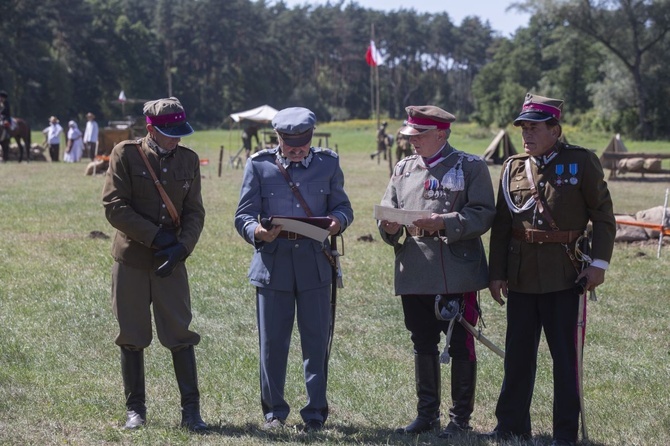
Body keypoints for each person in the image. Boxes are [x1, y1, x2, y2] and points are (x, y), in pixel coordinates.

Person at [483, 93, 616, 446]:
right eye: (523, 128)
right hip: (522, 275)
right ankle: (511, 425)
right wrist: (496, 273)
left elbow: (603, 215)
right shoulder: (512, 166)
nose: (526, 134)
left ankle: (564, 433)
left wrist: (599, 265)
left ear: (555, 129)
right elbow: (501, 224)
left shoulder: (581, 162)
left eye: (534, 127)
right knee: (518, 357)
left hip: (565, 274)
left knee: (565, 360)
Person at [378, 105, 496, 438]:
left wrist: (443, 222)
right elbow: (388, 208)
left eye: (418, 136)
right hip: (414, 267)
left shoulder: (470, 166)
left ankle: (460, 420)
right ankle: (426, 415)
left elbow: (483, 214)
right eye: (409, 136)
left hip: (456, 271)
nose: (411, 142)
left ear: (440, 134)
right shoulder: (402, 169)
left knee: (461, 344)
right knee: (422, 342)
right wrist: (387, 226)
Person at [234, 107, 354, 433]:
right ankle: (274, 413)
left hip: (315, 262)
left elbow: (343, 207)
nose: (298, 150)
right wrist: (256, 232)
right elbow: (243, 215)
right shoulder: (259, 165)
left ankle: (315, 413)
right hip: (272, 262)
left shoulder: (328, 163)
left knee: (316, 342)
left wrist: (337, 222)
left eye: (304, 143)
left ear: (311, 137)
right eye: (291, 145)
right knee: (273, 344)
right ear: (278, 138)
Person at [101, 97, 208, 432]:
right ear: (150, 128)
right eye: (168, 132)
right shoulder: (125, 154)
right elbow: (114, 206)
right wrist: (158, 238)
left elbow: (194, 212)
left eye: (179, 132)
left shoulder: (189, 161)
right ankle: (136, 410)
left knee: (180, 333)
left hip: (171, 260)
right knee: (131, 334)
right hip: (132, 258)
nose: (176, 138)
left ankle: (191, 412)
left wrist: (181, 248)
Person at [0, 90, 11, 161]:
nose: (0, 98)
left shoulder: (6, 103)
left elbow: (6, 112)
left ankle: (6, 135)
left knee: (4, 124)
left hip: (5, 117)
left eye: (1, 97)